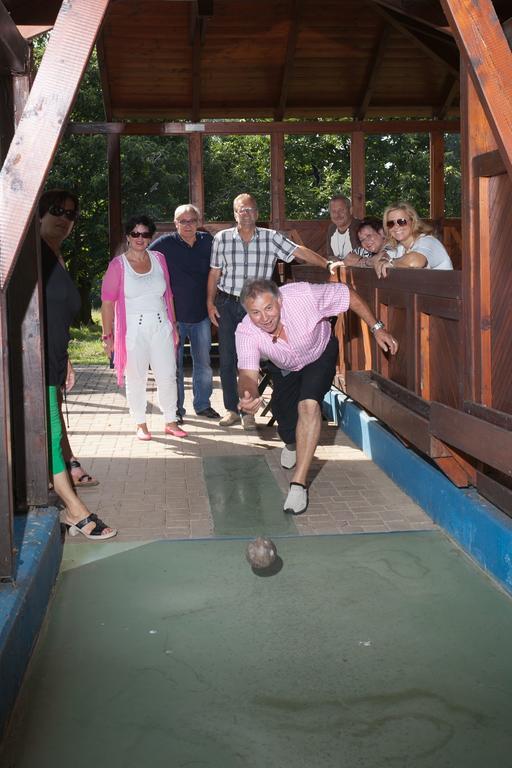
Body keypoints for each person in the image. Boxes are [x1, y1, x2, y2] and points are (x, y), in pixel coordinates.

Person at [235, 278, 398, 515]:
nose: (264, 318)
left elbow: (346, 294)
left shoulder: (304, 295)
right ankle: (292, 442)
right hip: (285, 367)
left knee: (309, 406)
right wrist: (247, 395)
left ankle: (298, 484)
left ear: (279, 300)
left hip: (318, 354)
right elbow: (248, 373)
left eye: (269, 308)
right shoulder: (246, 330)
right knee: (288, 428)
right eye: (256, 313)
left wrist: (377, 328)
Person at [207, 193, 336, 429]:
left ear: (257, 213)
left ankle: (249, 413)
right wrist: (209, 302)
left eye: (250, 210)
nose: (246, 214)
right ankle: (232, 409)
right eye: (241, 210)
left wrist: (327, 264)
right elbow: (214, 273)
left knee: (251, 360)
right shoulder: (221, 239)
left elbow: (299, 251)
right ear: (234, 214)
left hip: (256, 310)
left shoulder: (271, 238)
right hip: (227, 303)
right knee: (226, 359)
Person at [39, 189, 116, 539]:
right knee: (51, 432)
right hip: (32, 362)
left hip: (54, 357)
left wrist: (67, 357)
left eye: (71, 214)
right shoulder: (29, 253)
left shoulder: (56, 256)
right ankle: (74, 510)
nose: (64, 218)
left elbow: (57, 315)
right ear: (40, 212)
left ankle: (67, 502)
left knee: (52, 432)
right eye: (57, 210)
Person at [101, 215, 186, 440]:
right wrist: (107, 335)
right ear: (128, 236)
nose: (140, 238)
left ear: (151, 237)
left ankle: (170, 420)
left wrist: (174, 326)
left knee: (168, 376)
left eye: (145, 234)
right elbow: (108, 303)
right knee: (136, 378)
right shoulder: (117, 265)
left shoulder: (159, 259)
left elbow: (168, 295)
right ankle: (140, 423)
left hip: (161, 326)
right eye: (136, 233)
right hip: (133, 330)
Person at [152, 204, 219, 423]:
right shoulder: (164, 244)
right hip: (174, 318)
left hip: (201, 314)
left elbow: (219, 268)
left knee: (204, 364)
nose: (188, 225)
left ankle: (203, 405)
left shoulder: (209, 242)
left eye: (191, 220)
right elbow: (141, 258)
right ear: (175, 223)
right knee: (174, 367)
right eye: (183, 221)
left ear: (198, 222)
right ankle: (176, 409)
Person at [374, 202, 453, 278]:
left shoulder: (428, 241)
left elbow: (415, 262)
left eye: (401, 222)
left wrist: (391, 263)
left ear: (413, 221)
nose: (396, 227)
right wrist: (383, 259)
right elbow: (383, 256)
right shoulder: (401, 248)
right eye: (390, 223)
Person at [328, 217, 396, 273]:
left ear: (382, 233)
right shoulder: (366, 251)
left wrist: (362, 262)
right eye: (362, 240)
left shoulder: (392, 247)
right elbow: (349, 257)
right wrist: (366, 261)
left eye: (369, 235)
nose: (366, 241)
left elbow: (381, 257)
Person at [325, 194, 362, 265]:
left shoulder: (360, 227)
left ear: (350, 210)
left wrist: (340, 262)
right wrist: (332, 258)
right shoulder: (331, 229)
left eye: (341, 210)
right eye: (333, 211)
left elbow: (362, 257)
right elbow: (330, 256)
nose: (337, 215)